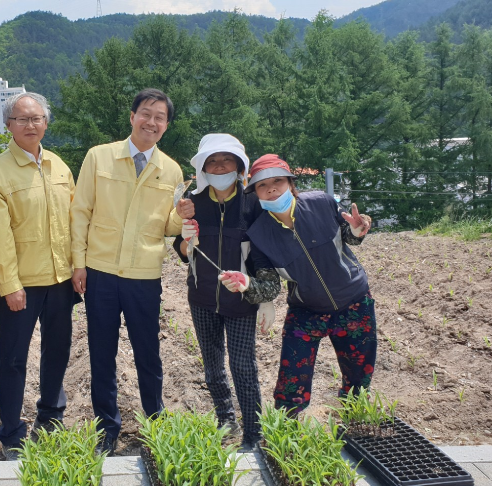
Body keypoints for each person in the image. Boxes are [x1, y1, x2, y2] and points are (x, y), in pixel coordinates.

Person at [71, 88, 183, 455]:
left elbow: (168, 226)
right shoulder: (99, 157)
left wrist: (181, 216)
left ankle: (155, 423)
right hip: (100, 270)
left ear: (166, 126)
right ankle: (107, 428)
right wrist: (78, 262)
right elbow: (81, 211)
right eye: (146, 114)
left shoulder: (171, 170)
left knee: (148, 353)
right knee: (102, 353)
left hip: (144, 274)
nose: (152, 122)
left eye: (160, 117)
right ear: (132, 116)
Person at [219, 155, 376, 415]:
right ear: (255, 193)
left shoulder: (322, 203)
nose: (271, 189)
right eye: (262, 185)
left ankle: (356, 423)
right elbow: (270, 287)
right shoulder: (259, 235)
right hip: (306, 311)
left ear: (291, 184)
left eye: (278, 181)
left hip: (354, 302)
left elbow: (349, 236)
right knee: (291, 384)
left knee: (359, 378)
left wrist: (358, 230)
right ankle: (287, 430)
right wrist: (247, 284)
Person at [0, 92, 77, 459]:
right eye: (22, 119)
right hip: (22, 284)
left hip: (61, 280)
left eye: (37, 118)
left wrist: (78, 267)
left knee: (58, 351)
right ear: (9, 125)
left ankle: (51, 419)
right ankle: (12, 434)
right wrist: (10, 285)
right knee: (13, 359)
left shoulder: (59, 166)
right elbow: (0, 236)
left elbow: (74, 221)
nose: (30, 125)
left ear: (46, 123)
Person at [171, 134, 270, 450]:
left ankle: (253, 432)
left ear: (239, 166)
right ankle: (226, 419)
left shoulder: (253, 204)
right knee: (212, 366)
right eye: (212, 161)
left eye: (227, 159)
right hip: (202, 297)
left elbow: (263, 253)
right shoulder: (192, 203)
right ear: (203, 168)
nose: (219, 166)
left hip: (241, 300)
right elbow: (182, 251)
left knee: (243, 366)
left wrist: (263, 295)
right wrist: (187, 239)